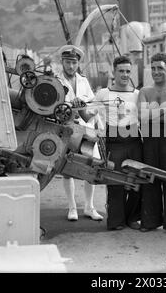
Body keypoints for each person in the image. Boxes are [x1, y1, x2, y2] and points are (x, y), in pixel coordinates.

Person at [137, 52, 166, 236]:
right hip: (149, 140)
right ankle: (150, 221)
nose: (156, 72)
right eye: (154, 68)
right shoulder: (144, 91)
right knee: (150, 179)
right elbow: (141, 116)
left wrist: (152, 112)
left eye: (160, 68)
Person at [94, 55, 142, 231]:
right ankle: (116, 220)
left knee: (137, 180)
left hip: (134, 140)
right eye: (121, 71)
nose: (124, 74)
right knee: (115, 182)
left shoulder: (137, 94)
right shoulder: (103, 94)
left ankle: (132, 218)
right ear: (114, 72)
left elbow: (146, 118)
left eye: (128, 71)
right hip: (114, 141)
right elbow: (87, 115)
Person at [56, 44, 103, 222]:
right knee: (67, 169)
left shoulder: (83, 81)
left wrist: (85, 106)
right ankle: (72, 207)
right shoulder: (56, 80)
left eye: (74, 62)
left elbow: (92, 104)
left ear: (78, 63)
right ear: (62, 62)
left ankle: (89, 207)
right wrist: (70, 105)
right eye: (68, 62)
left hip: (86, 129)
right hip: (66, 129)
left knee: (90, 167)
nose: (71, 66)